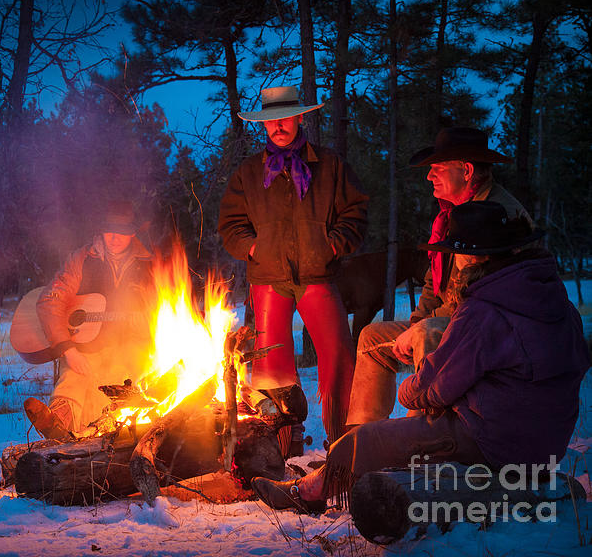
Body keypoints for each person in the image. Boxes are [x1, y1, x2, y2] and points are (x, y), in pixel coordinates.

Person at [251, 201, 589, 512]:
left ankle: (305, 492)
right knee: (401, 427)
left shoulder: (483, 311)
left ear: (472, 258)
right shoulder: (555, 301)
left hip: (496, 443)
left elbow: (434, 388)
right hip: (547, 445)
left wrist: (407, 390)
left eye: (455, 255)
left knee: (366, 439)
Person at [347, 127, 532, 425]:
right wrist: (417, 320)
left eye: (437, 169)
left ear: (467, 171)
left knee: (427, 334)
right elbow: (436, 281)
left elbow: (469, 300)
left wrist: (420, 328)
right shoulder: (452, 213)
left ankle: (416, 438)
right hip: (458, 318)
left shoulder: (492, 216)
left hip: (495, 328)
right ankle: (360, 441)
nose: (429, 176)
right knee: (372, 338)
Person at [218, 85, 369, 444]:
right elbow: (230, 224)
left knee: (338, 357)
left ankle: (344, 442)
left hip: (318, 273)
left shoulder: (330, 165)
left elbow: (356, 214)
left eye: (284, 118)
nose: (278, 126)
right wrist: (254, 248)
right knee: (272, 367)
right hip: (268, 276)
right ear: (263, 125)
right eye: (270, 121)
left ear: (300, 117)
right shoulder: (250, 172)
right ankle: (282, 446)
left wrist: (331, 245)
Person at [24, 201, 154, 439]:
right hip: (85, 347)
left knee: (120, 383)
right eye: (109, 231)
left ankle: (101, 436)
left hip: (131, 349)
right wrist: (68, 349)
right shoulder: (82, 259)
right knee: (74, 378)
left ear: (132, 233)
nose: (114, 238)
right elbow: (51, 301)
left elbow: (161, 310)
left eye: (121, 232)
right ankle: (57, 426)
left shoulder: (149, 264)